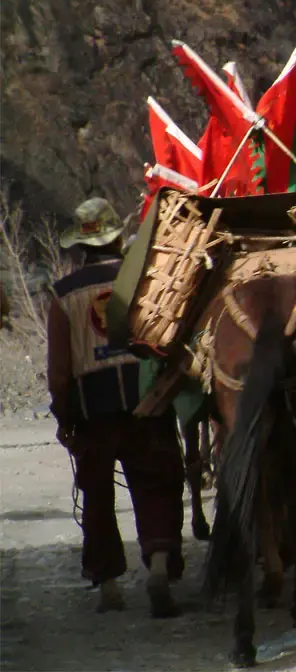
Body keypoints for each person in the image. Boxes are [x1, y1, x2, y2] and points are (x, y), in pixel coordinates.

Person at [46, 197, 185, 617]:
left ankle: (108, 585)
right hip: (147, 400)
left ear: (80, 246)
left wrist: (64, 417)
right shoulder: (143, 277)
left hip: (93, 411)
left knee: (98, 498)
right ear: (117, 237)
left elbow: (59, 372)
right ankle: (159, 565)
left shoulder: (63, 294)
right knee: (157, 484)